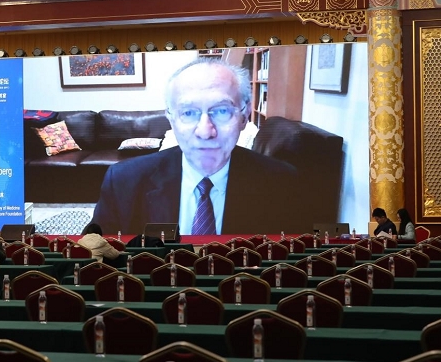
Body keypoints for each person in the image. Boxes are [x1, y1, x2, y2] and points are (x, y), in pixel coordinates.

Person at [91, 57, 298, 235]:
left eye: (222, 111)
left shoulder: (282, 183)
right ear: (171, 119)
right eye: (189, 113)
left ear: (244, 116)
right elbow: (96, 256)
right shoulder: (123, 181)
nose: (205, 132)